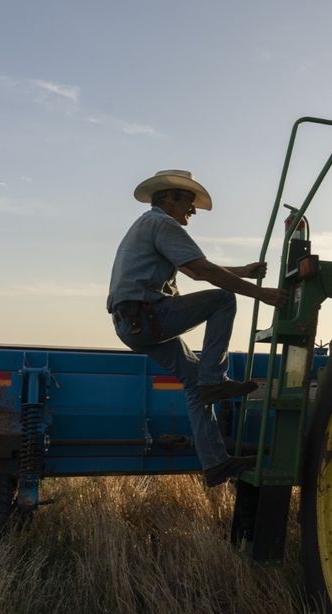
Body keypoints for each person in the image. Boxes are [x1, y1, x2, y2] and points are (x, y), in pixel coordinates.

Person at [107, 169, 288, 487]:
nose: (192, 209)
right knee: (223, 300)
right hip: (148, 316)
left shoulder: (150, 225)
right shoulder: (162, 223)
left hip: (132, 323)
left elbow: (192, 267)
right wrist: (262, 294)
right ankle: (214, 380)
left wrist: (242, 271)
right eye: (188, 201)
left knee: (194, 385)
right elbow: (201, 271)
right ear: (169, 198)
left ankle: (216, 463)